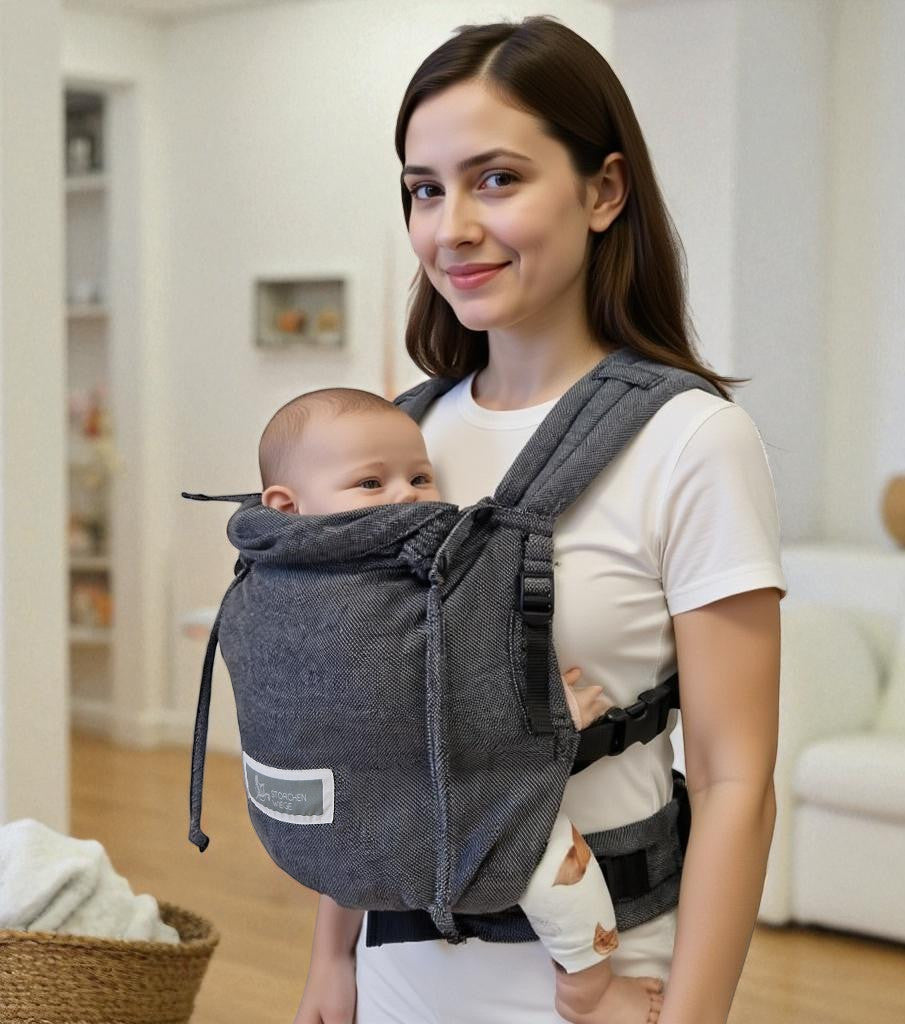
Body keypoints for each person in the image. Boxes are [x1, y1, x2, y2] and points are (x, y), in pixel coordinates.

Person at [294, 15, 787, 1024]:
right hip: (398, 964)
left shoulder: (693, 441)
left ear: (604, 190)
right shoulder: (400, 447)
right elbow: (371, 737)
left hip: (600, 986)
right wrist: (330, 961)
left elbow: (736, 779)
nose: (450, 227)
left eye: (496, 179)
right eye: (424, 190)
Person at [259, 386, 667, 1023]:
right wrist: (545, 718)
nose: (407, 495)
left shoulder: (311, 579)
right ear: (288, 507)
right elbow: (422, 697)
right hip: (423, 809)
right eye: (371, 483)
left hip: (381, 811)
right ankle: (589, 991)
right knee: (554, 859)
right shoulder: (345, 595)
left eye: (420, 476)